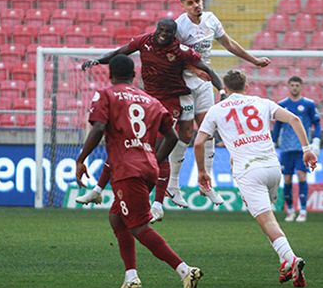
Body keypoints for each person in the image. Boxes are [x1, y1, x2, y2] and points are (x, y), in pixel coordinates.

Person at [75, 54, 202, 288]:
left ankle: (186, 271)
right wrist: (154, 158)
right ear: (134, 75)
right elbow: (173, 137)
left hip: (126, 170)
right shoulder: (151, 100)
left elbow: (99, 128)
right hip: (148, 168)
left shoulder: (106, 94)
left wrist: (81, 159)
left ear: (110, 74)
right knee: (116, 217)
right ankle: (131, 277)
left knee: (138, 227)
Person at [77, 18, 224, 213]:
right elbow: (120, 53)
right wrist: (98, 60)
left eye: (168, 31)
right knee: (127, 143)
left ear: (174, 34)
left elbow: (207, 69)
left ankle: (158, 203)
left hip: (171, 102)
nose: (163, 34)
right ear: (156, 29)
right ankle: (98, 190)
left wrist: (221, 91)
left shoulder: (181, 50)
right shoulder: (144, 41)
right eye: (160, 30)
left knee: (160, 148)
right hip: (147, 100)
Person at [194, 69, 316, 288]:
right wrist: (307, 149)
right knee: (269, 218)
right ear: (246, 85)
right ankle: (283, 262)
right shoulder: (263, 102)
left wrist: (203, 171)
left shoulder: (216, 110)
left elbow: (198, 142)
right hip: (272, 167)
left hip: (249, 171)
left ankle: (291, 259)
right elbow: (295, 119)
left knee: (266, 220)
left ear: (225, 88)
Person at [170, 0, 272, 207]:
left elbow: (228, 43)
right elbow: (172, 55)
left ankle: (206, 184)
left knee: (207, 132)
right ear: (183, 5)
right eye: (190, 3)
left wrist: (253, 60)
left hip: (205, 81)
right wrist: (193, 69)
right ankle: (173, 184)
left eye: (198, 0)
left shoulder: (211, 20)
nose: (196, 5)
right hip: (184, 82)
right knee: (186, 133)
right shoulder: (179, 26)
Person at [272, 76, 321, 222]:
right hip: (286, 148)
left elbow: (317, 123)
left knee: (301, 175)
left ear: (301, 87)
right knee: (286, 179)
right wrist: (273, 143)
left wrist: (316, 141)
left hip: (302, 148)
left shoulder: (308, 104)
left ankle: (303, 210)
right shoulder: (281, 105)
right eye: (292, 85)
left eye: (297, 85)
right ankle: (291, 210)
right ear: (288, 86)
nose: (294, 87)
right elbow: (277, 126)